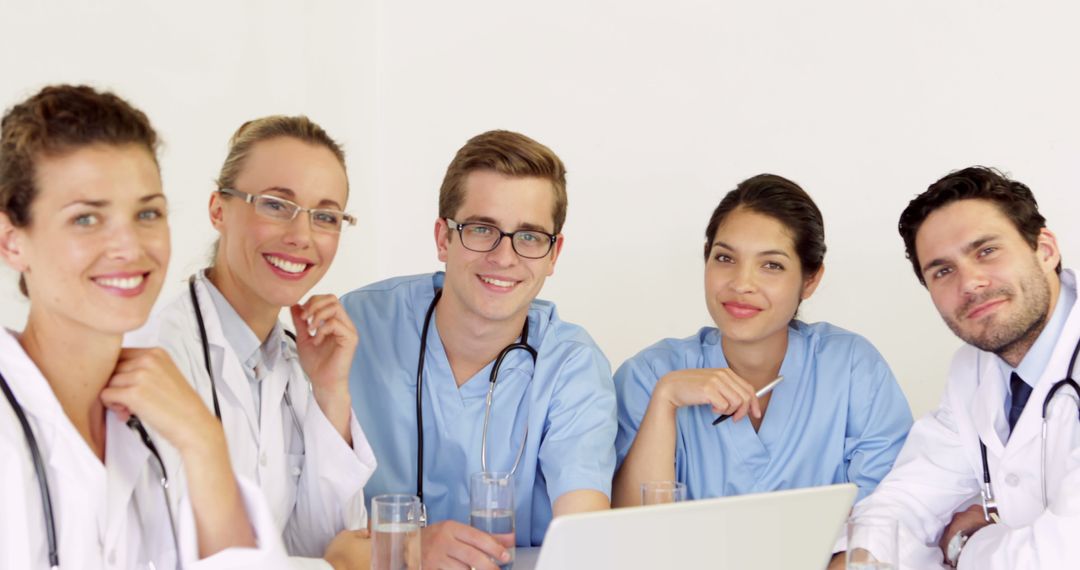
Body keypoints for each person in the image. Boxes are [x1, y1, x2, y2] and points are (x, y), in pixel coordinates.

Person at [0, 84, 286, 568]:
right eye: (87, 218)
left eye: (147, 212)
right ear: (11, 243)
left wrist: (204, 440)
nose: (130, 246)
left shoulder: (155, 421)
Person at [341, 129, 617, 569]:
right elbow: (309, 532)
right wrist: (408, 551)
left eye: (529, 237)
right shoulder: (360, 327)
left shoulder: (572, 365)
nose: (504, 256)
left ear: (554, 254)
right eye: (482, 229)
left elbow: (584, 544)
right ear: (443, 238)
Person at [129, 116, 377, 569]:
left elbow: (327, 539)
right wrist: (336, 568)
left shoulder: (293, 357)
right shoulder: (160, 355)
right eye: (276, 205)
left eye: (325, 216)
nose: (302, 236)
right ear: (219, 210)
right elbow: (171, 555)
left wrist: (329, 393)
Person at [830, 167, 1080, 569]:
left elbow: (1062, 555)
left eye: (986, 251)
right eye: (943, 271)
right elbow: (907, 501)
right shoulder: (974, 370)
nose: (970, 282)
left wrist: (967, 544)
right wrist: (855, 560)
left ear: (1045, 249)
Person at [613, 174, 912, 507]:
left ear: (810, 280)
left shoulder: (852, 368)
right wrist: (665, 401)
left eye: (772, 265)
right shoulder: (650, 375)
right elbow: (633, 533)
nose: (742, 284)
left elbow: (888, 513)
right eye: (725, 258)